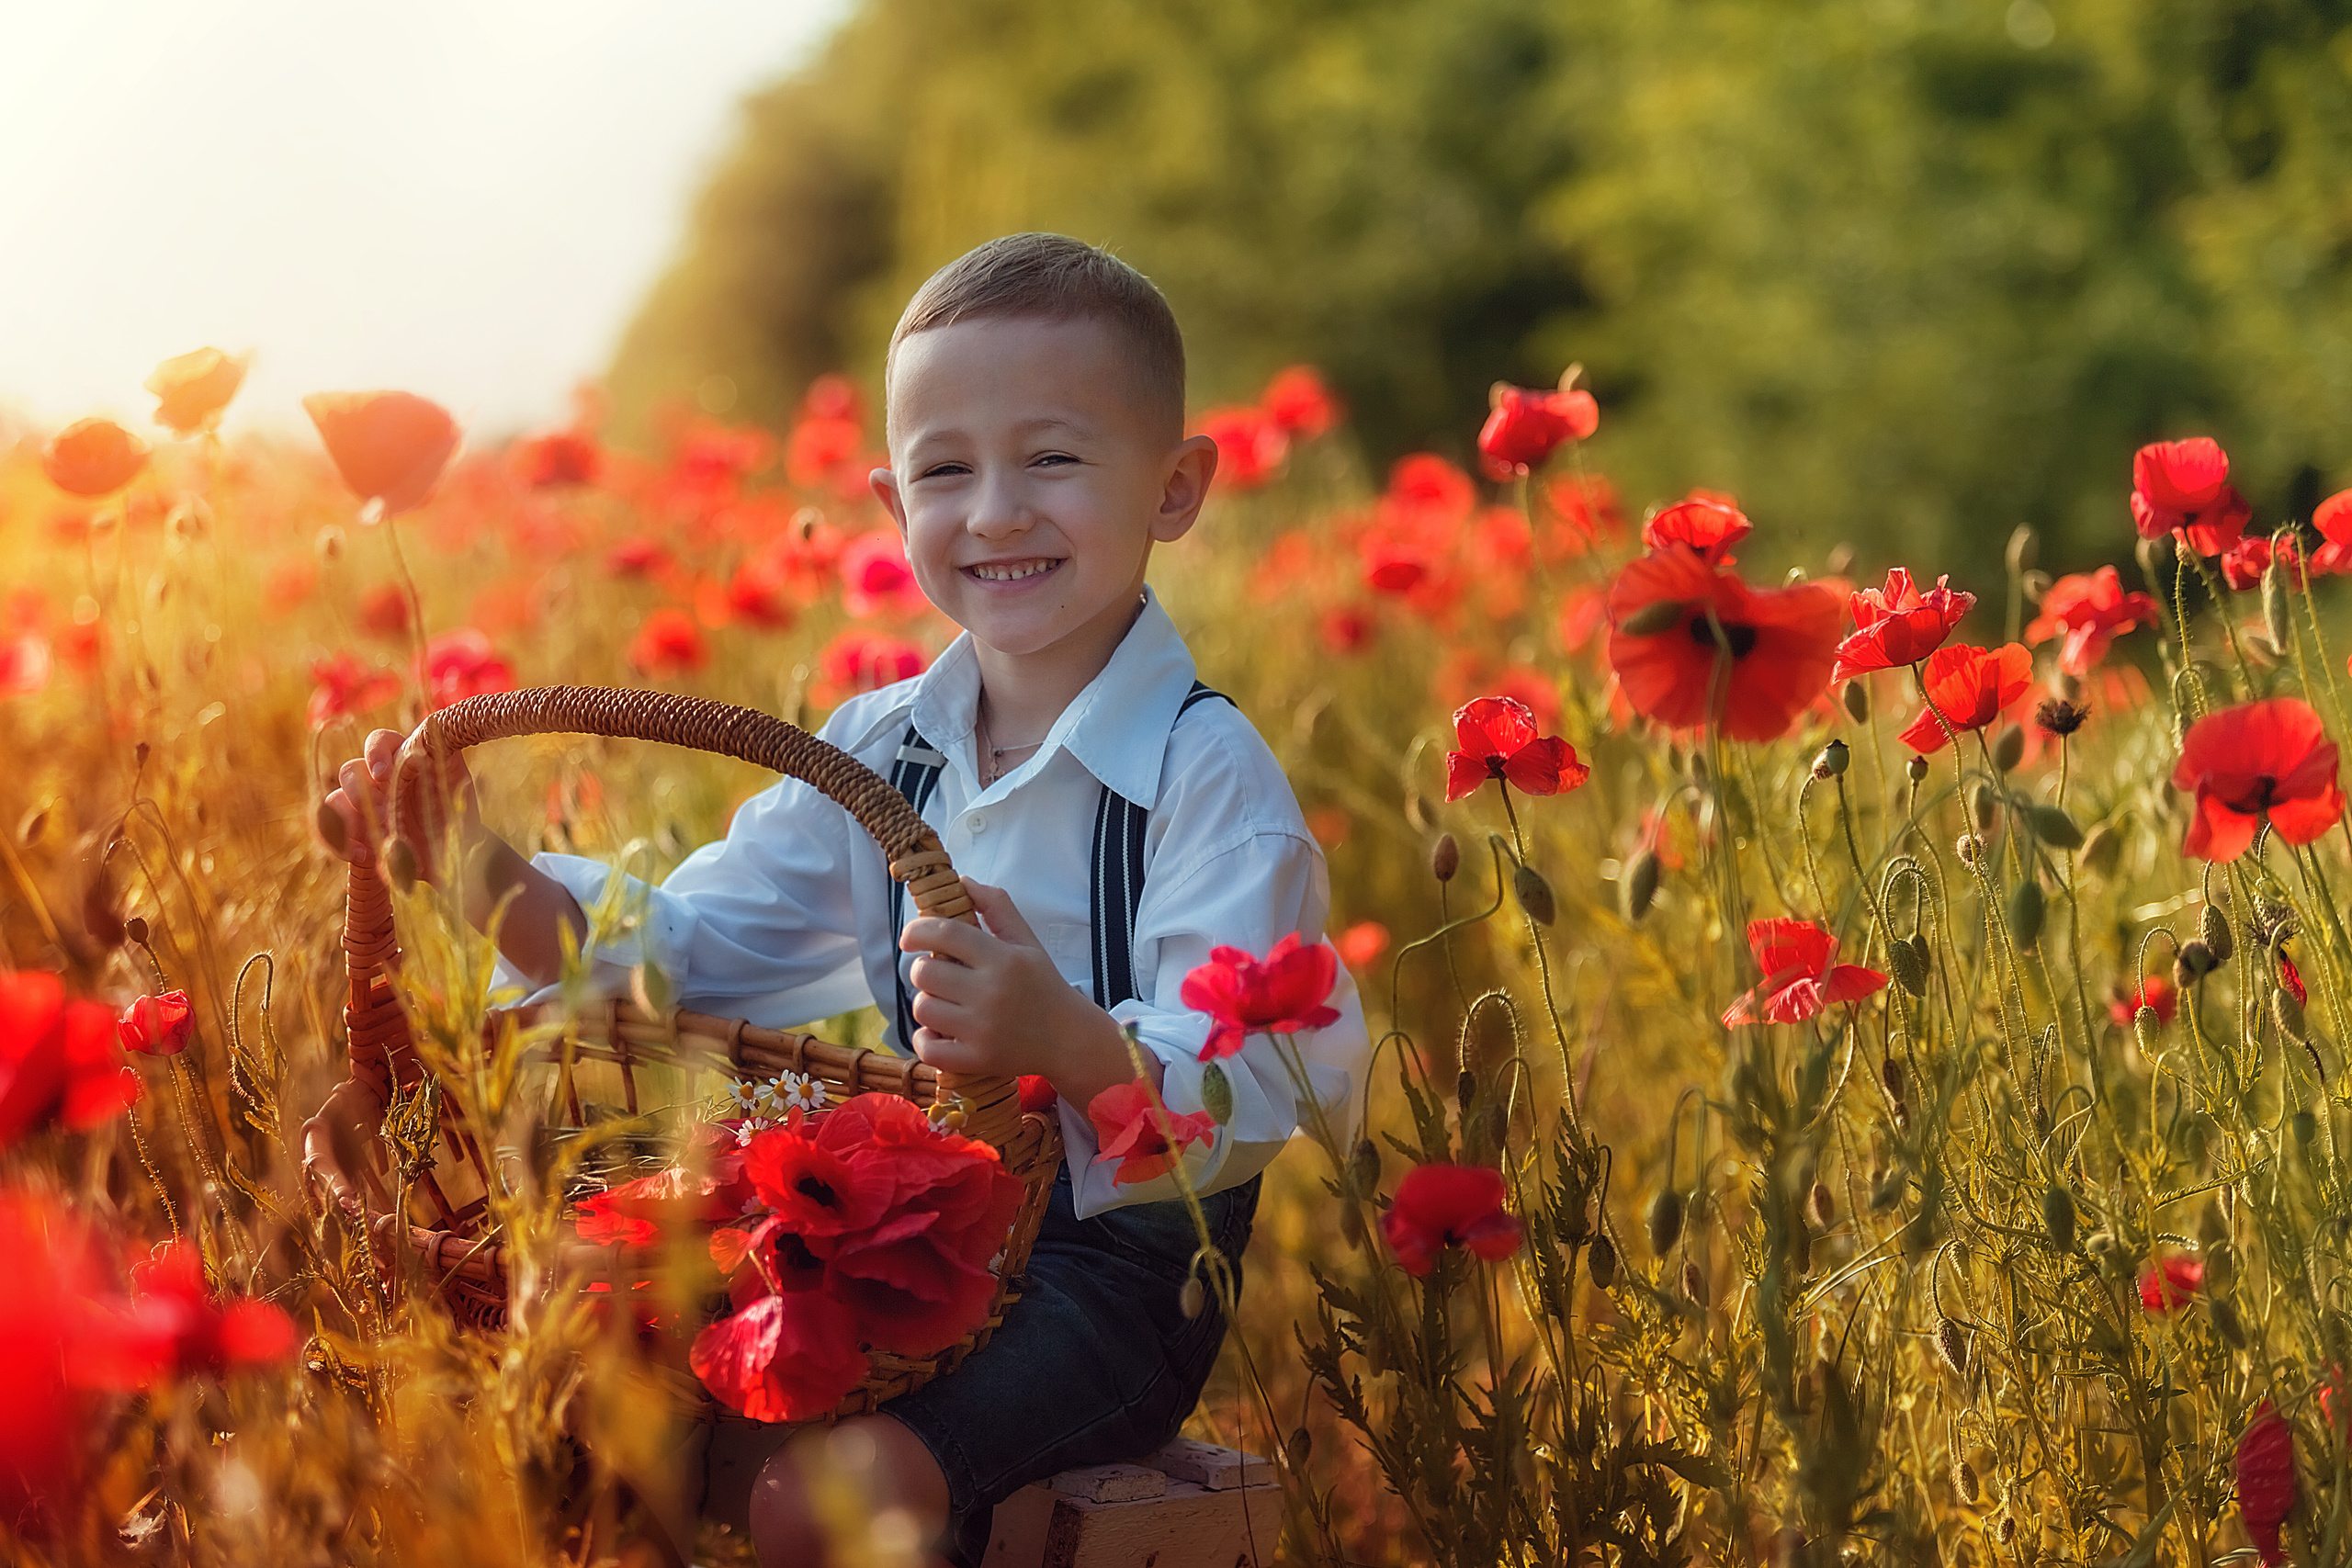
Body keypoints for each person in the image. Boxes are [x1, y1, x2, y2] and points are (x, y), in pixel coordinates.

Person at [308, 232, 1369, 1567]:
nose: (992, 511)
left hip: (1113, 1281)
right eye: (944, 470)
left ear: (1175, 486)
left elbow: (1282, 1087)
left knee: (823, 1503)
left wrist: (1068, 1040)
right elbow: (683, 954)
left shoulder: (1207, 779)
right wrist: (468, 870)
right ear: (888, 499)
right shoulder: (882, 751)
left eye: (1052, 459)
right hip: (906, 1231)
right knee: (582, 1394)